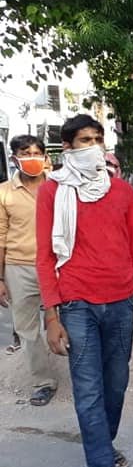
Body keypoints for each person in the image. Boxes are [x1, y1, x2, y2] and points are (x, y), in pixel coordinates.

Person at [35, 114, 133, 467]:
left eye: (98, 139)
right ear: (67, 148)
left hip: (121, 303)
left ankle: (104, 443)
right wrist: (52, 316)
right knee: (88, 392)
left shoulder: (120, 192)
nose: (93, 147)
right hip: (77, 304)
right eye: (84, 140)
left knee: (116, 386)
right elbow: (45, 255)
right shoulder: (53, 193)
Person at [0, 134, 58, 404]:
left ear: (45, 157)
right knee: (27, 328)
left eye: (36, 152)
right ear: (14, 158)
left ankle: (82, 374)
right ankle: (44, 381)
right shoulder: (4, 193)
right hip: (18, 267)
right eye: (25, 153)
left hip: (57, 265)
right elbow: (0, 236)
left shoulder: (59, 188)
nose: (31, 157)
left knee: (70, 320)